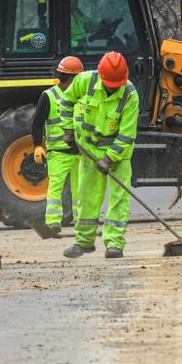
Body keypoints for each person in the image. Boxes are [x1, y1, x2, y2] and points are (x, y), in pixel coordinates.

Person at [61, 51, 139, 259]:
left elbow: (127, 133)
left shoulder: (130, 95)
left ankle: (114, 244)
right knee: (86, 198)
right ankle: (84, 242)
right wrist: (67, 128)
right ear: (102, 77)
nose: (113, 87)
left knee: (118, 200)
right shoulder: (85, 81)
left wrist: (109, 158)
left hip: (118, 156)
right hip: (89, 152)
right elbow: (66, 102)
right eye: (110, 84)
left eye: (117, 85)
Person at [31, 55, 85, 235]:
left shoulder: (81, 96)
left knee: (81, 190)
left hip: (80, 152)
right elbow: (37, 122)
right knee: (55, 188)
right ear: (72, 78)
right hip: (58, 153)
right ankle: (53, 222)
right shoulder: (49, 96)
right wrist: (38, 145)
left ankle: (82, 223)